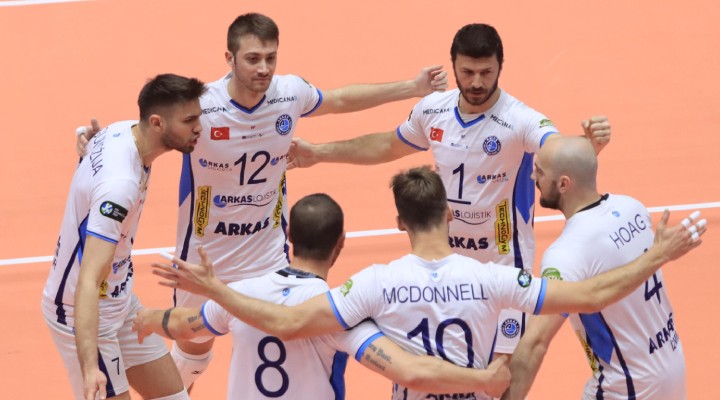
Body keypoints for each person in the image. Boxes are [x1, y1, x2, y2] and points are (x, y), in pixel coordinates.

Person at [76, 12, 448, 388]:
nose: (264, 68)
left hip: (266, 255)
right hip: (206, 257)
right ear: (229, 58)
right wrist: (102, 145)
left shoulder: (290, 93)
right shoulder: (204, 106)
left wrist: (412, 87)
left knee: (277, 343)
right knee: (193, 349)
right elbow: (153, 130)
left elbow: (338, 99)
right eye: (253, 59)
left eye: (271, 58)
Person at [149, 166, 705, 400]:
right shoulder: (493, 278)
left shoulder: (373, 285)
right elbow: (592, 296)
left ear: (398, 222)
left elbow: (289, 321)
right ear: (449, 214)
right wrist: (657, 255)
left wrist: (218, 292)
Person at [286, 23, 612, 356]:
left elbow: (557, 151)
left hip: (503, 269)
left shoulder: (521, 120)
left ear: (501, 66)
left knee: (503, 373)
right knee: (442, 368)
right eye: (467, 72)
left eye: (486, 72)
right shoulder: (433, 110)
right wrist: (319, 153)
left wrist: (588, 145)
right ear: (453, 65)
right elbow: (386, 145)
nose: (477, 82)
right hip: (445, 269)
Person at [133, 193, 510, 399]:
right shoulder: (339, 317)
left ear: (289, 237)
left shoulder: (239, 297)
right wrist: (482, 378)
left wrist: (146, 319)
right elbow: (410, 371)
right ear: (341, 243)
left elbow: (183, 325)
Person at [500, 137, 705, 399]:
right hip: (671, 364)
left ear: (563, 184)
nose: (533, 177)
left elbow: (535, 342)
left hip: (627, 387)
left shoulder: (566, 254)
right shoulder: (633, 207)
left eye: (539, 171)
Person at [42, 74, 207, 400]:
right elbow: (89, 279)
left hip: (121, 301)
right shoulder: (120, 186)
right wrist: (91, 367)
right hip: (82, 311)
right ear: (157, 123)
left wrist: (86, 144)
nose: (198, 128)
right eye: (189, 121)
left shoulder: (122, 131)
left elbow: (93, 165)